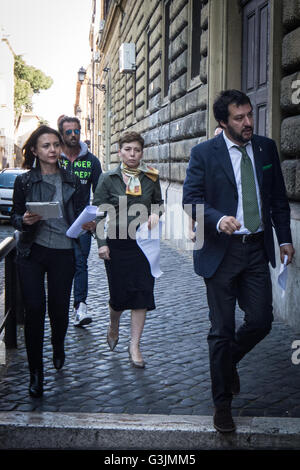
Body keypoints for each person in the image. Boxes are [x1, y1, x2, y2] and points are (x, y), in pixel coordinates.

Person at [183, 89, 295, 433]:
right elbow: (191, 200)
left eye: (249, 115)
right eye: (239, 118)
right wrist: (217, 219)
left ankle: (226, 363)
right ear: (223, 122)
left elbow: (277, 197)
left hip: (255, 249)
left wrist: (285, 237)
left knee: (261, 320)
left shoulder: (265, 148)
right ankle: (222, 405)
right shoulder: (204, 153)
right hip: (220, 252)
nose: (248, 122)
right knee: (222, 329)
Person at [11, 125, 87, 398]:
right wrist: (25, 220)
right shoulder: (24, 182)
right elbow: (15, 217)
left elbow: (80, 215)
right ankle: (36, 374)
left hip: (63, 252)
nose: (53, 149)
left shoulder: (72, 181)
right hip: (32, 252)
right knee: (34, 311)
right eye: (46, 145)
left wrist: (86, 224)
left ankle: (58, 344)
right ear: (35, 151)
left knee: (59, 311)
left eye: (56, 144)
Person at [93, 131, 164, 368]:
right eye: (128, 149)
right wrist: (102, 244)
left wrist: (155, 213)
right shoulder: (107, 178)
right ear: (119, 151)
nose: (133, 154)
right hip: (116, 244)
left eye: (137, 150)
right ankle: (113, 325)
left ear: (142, 152)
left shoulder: (151, 177)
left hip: (144, 244)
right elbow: (99, 214)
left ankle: (134, 345)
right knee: (119, 295)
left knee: (142, 294)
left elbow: (159, 203)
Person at [58, 116, 102, 327]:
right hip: (56, 223)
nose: (73, 135)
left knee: (80, 263)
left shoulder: (92, 161)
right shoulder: (54, 159)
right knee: (59, 265)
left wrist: (96, 219)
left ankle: (80, 306)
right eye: (68, 132)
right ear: (62, 135)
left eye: (76, 131)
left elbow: (101, 194)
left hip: (82, 223)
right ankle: (58, 308)